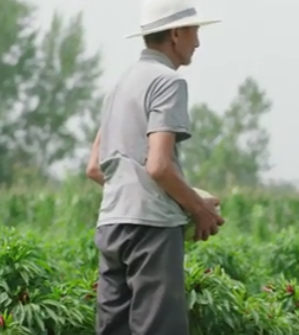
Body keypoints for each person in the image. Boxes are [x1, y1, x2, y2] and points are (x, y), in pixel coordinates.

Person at [84, 0, 224, 334]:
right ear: (176, 34)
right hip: (151, 229)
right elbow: (159, 166)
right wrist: (198, 209)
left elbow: (94, 166)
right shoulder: (167, 83)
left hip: (112, 225)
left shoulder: (120, 85)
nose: (198, 42)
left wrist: (132, 191)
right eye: (195, 32)